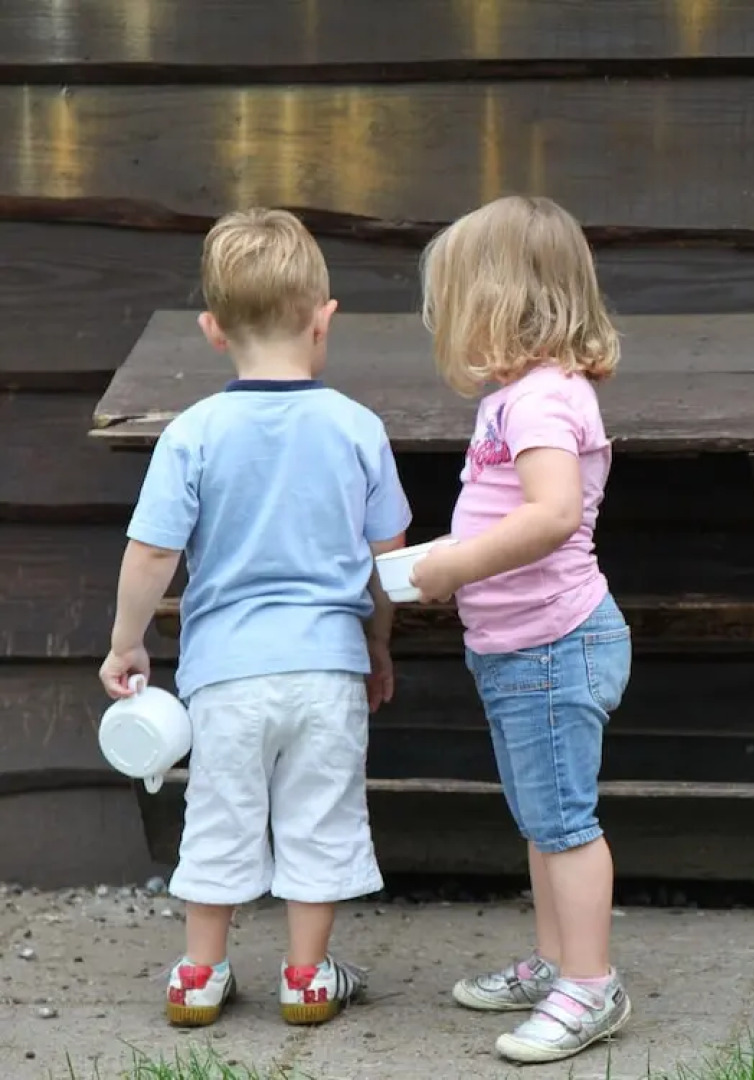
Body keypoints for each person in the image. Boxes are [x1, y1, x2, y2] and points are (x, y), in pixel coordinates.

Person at [98, 208, 413, 1028]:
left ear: (210, 330)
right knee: (319, 815)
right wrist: (376, 640)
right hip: (326, 669)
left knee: (222, 814)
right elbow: (390, 556)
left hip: (226, 676)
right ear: (324, 318)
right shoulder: (357, 428)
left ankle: (199, 974)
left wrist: (127, 642)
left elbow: (151, 554)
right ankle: (306, 979)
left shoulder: (193, 434)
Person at [409, 194, 632, 1065]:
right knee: (543, 816)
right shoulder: (523, 396)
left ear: (501, 303)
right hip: (522, 649)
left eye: (458, 301)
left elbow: (551, 515)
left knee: (565, 821)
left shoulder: (538, 403)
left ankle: (591, 984)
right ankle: (555, 962)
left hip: (551, 645)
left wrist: (454, 565)